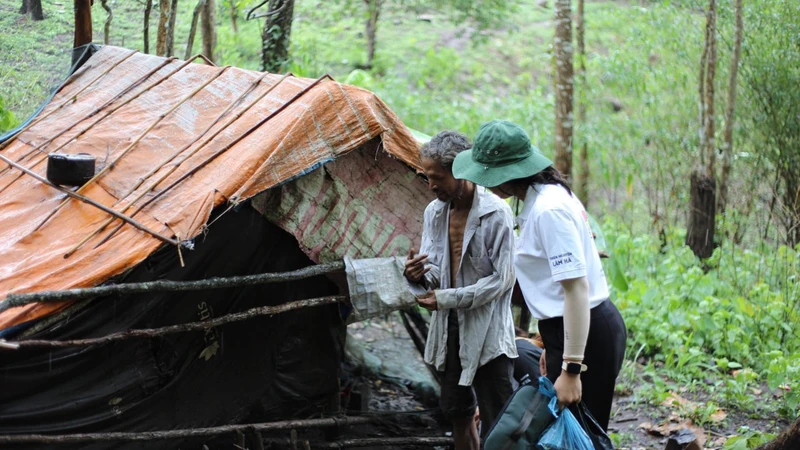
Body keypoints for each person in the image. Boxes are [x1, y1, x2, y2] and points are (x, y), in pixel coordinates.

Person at [451, 120, 627, 431]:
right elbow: (551, 285)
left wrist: (572, 367)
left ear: (506, 174)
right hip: (569, 329)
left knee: (580, 434)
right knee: (567, 432)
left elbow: (575, 290)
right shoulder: (543, 199)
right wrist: (550, 344)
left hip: (586, 332)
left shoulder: (549, 210)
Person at [404, 130, 518, 450]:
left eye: (437, 178)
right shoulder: (434, 212)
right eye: (427, 178)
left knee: (500, 421)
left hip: (488, 335)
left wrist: (448, 298)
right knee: (458, 414)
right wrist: (418, 275)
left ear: (461, 172)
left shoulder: (496, 213)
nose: (431, 186)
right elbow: (437, 274)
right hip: (449, 329)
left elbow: (502, 280)